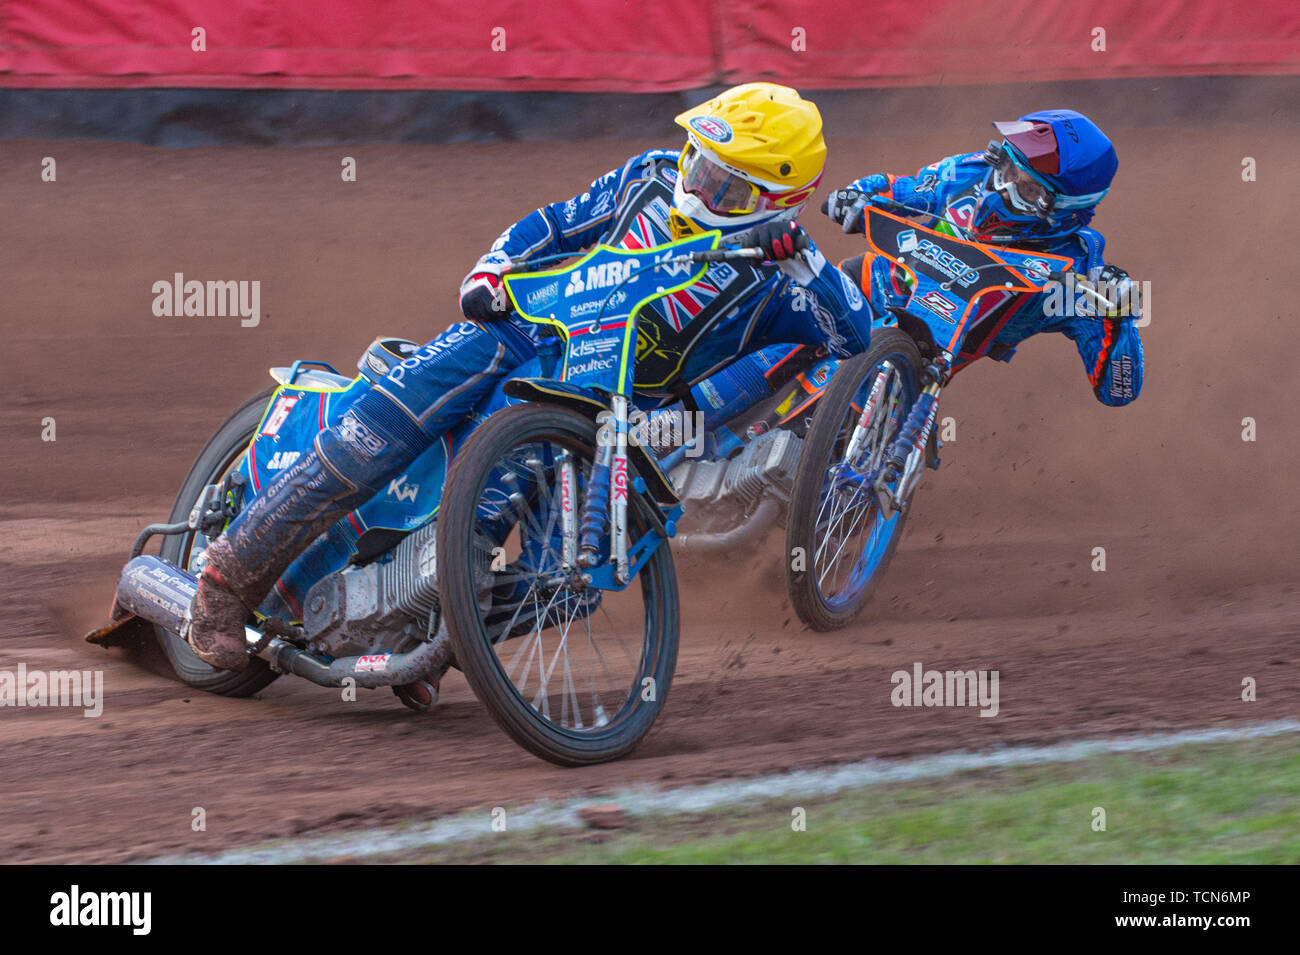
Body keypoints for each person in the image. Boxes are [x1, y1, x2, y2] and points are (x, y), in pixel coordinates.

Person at [186, 82, 872, 671]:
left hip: (601, 418)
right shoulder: (653, 175)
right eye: (698, 159)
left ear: (776, 200)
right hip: (517, 329)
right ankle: (222, 586)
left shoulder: (782, 285)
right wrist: (491, 269)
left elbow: (856, 334)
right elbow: (558, 222)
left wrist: (801, 258)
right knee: (376, 436)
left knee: (567, 582)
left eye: (721, 182)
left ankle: (432, 640)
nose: (694, 182)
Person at [823, 109, 1143, 404]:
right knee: (783, 329)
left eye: (1029, 190)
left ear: (1064, 210)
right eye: (1009, 169)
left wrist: (1121, 317)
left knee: (848, 440)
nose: (1005, 188)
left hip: (920, 367)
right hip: (867, 286)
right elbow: (906, 188)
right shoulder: (973, 172)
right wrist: (857, 194)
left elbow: (1118, 391)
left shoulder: (1075, 271)